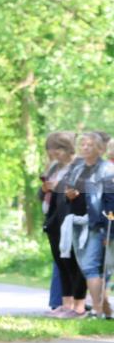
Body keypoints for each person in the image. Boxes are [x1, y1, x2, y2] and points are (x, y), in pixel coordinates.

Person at [64, 132, 114, 319]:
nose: (85, 147)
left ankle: (98, 311)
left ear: (100, 148)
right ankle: (107, 310)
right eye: (83, 144)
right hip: (79, 225)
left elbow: (111, 201)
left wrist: (109, 230)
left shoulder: (107, 169)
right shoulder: (78, 168)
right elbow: (72, 192)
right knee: (93, 268)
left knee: (92, 268)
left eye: (90, 145)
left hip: (97, 224)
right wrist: (70, 196)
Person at [39, 132, 88, 318]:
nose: (54, 155)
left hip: (72, 219)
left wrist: (61, 188)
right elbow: (43, 195)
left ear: (66, 149)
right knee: (62, 264)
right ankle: (65, 304)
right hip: (54, 221)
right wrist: (44, 189)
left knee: (75, 263)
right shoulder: (53, 168)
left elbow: (82, 192)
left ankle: (79, 307)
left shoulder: (80, 166)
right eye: (51, 151)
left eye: (56, 150)